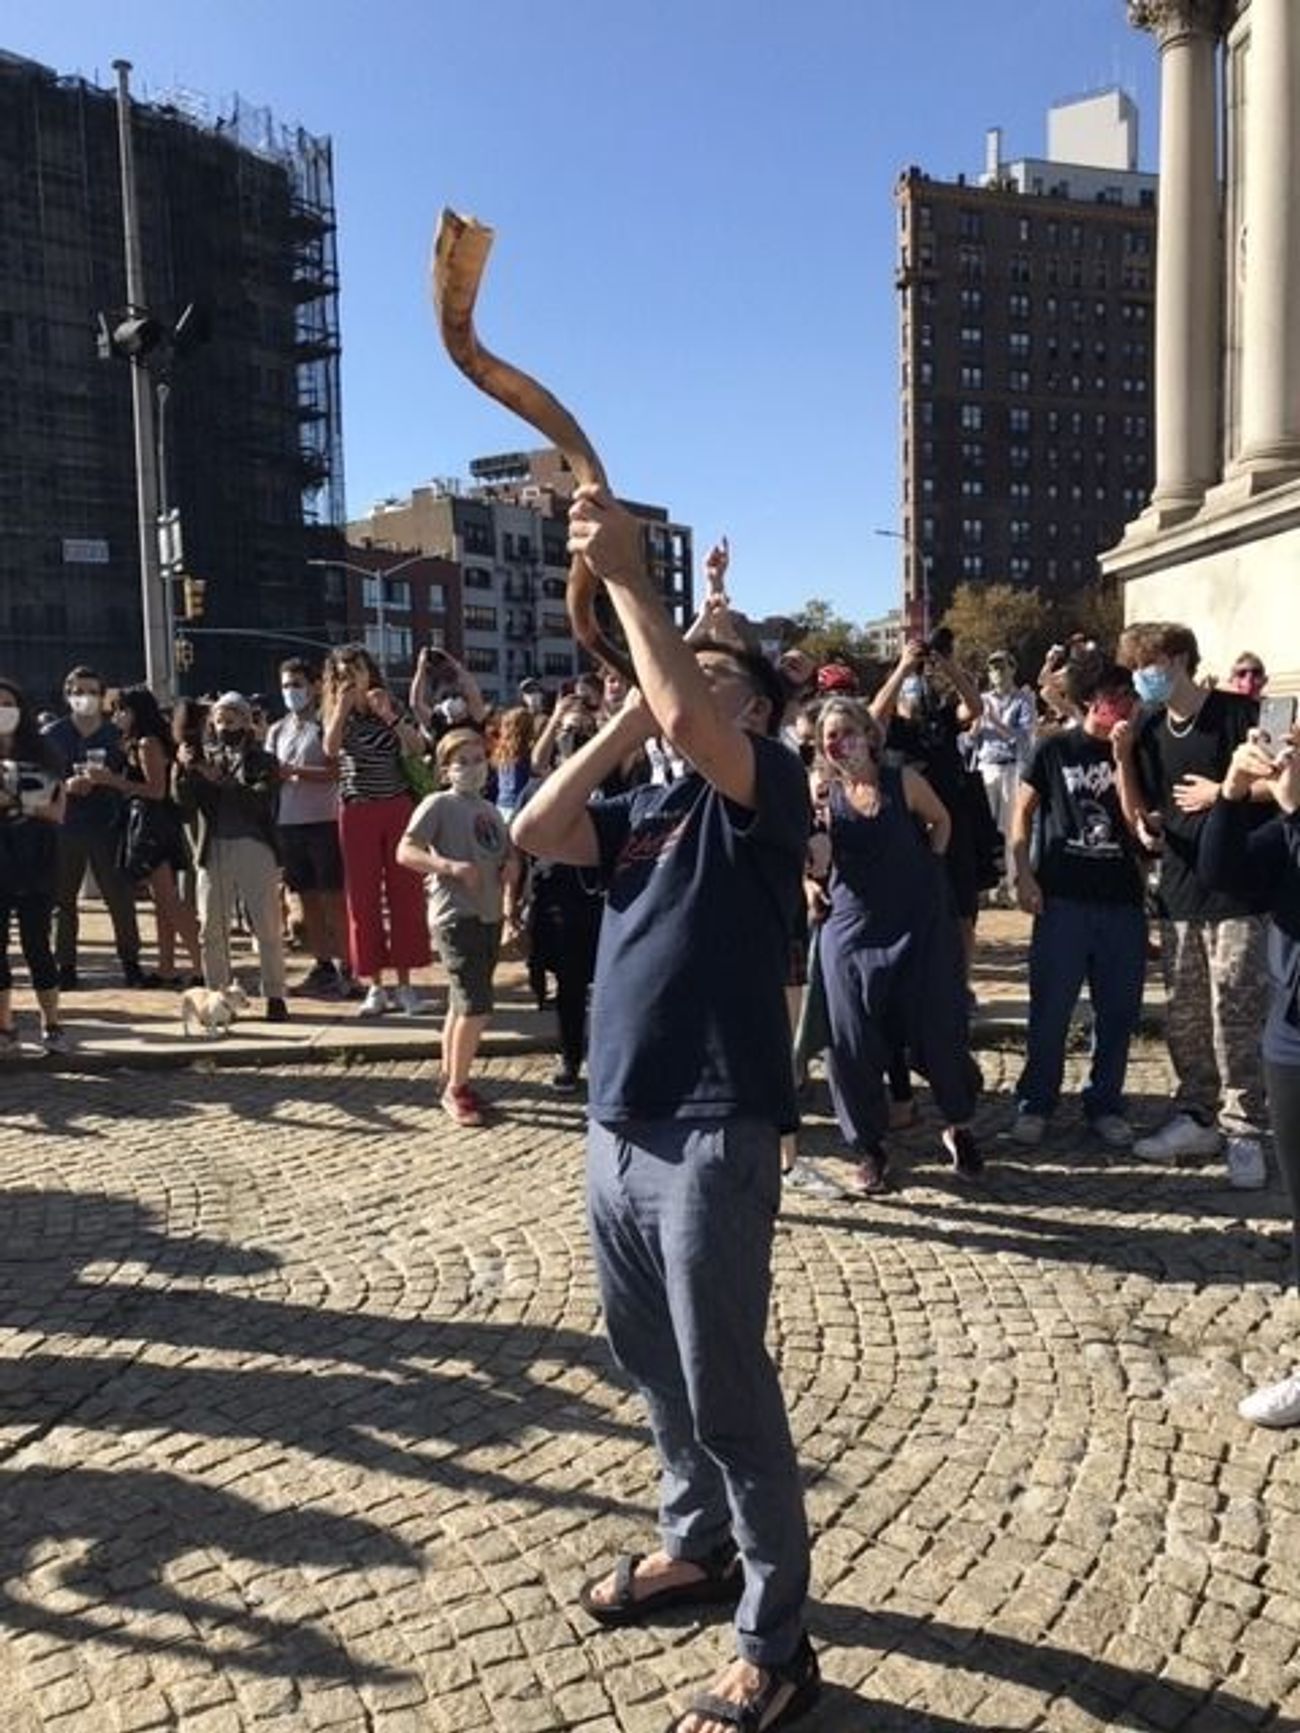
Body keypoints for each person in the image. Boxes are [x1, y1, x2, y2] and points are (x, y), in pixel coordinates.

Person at [512, 486, 819, 1733]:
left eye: (707, 671)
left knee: (725, 1382)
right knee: (648, 1360)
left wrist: (640, 590)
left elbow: (692, 714)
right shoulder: (642, 809)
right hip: (617, 1119)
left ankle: (776, 1641)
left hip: (713, 1121)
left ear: (757, 706)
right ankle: (697, 1544)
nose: (676, 679)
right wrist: (625, 717)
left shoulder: (768, 788)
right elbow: (534, 825)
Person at [1113, 621, 1269, 1188]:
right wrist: (1122, 760)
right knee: (1186, 1016)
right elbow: (1141, 809)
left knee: (1237, 1011)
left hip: (1238, 889)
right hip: (1179, 890)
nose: (1141, 677)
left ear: (1179, 660)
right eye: (1135, 668)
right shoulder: (1151, 728)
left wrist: (1223, 792)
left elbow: (1283, 785)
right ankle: (1196, 1114)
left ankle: (1245, 1127)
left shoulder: (1237, 713)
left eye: (1148, 665)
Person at [813, 696, 982, 1192]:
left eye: (848, 731)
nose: (840, 742)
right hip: (850, 928)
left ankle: (959, 1124)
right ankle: (869, 1148)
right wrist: (809, 884)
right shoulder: (821, 793)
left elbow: (941, 821)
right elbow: (807, 854)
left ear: (869, 734)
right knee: (849, 1040)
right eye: (830, 736)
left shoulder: (901, 780)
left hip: (917, 922)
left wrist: (931, 868)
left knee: (938, 1026)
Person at [1200, 730, 1300, 1426]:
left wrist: (1294, 813)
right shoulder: (1288, 829)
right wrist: (1233, 795)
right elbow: (1221, 874)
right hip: (1290, 1039)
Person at [1009, 663, 1148, 1148]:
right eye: (1115, 695)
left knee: (1118, 1012)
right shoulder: (1054, 749)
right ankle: (1035, 1102)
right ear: (1091, 699)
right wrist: (1023, 874)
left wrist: (1124, 758)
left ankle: (1104, 1102)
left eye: (1129, 695)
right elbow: (1021, 813)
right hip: (1062, 899)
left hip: (1121, 901)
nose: (1124, 704)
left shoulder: (1136, 749)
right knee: (1050, 1010)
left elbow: (1138, 824)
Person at [398, 728, 520, 1126]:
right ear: (446, 769)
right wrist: (447, 866)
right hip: (456, 914)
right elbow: (406, 850)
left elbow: (505, 853)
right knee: (476, 1006)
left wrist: (512, 866)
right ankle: (456, 1088)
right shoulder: (438, 804)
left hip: (487, 913)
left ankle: (452, 1076)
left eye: (478, 760)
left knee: (461, 1002)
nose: (472, 768)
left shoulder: (490, 810)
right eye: (462, 762)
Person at [322, 645, 431, 1017]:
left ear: (369, 670)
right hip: (357, 810)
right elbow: (330, 749)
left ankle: (406, 985)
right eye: (342, 672)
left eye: (356, 669)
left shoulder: (390, 702)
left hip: (396, 805)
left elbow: (417, 746)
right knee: (362, 900)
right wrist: (341, 708)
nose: (351, 677)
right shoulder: (335, 710)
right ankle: (375, 985)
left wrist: (388, 715)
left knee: (406, 894)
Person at [871, 629, 985, 979]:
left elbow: (976, 707)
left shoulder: (944, 720)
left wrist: (947, 665)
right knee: (907, 905)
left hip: (954, 821)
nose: (917, 696)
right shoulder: (892, 730)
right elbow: (873, 716)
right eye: (910, 692)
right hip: (907, 827)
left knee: (962, 908)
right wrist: (903, 668)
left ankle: (960, 983)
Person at [72, 685, 202, 987]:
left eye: (122, 710)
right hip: (151, 821)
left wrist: (111, 781)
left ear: (137, 712)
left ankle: (202, 963)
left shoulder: (147, 742)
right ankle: (167, 965)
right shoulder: (140, 742)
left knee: (168, 899)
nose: (117, 716)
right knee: (162, 900)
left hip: (152, 822)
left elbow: (155, 790)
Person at [175, 693, 288, 1022]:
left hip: (254, 845)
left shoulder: (263, 760)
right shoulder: (204, 758)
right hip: (213, 847)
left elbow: (261, 800)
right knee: (212, 927)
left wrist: (224, 781)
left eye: (232, 720)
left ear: (246, 722)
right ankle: (218, 997)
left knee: (266, 924)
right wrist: (184, 770)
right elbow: (183, 805)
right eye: (220, 720)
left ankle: (275, 994)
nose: (225, 727)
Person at [42, 667, 145, 990]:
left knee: (120, 897)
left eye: (91, 691)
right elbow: (39, 781)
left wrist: (109, 781)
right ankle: (66, 965)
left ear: (102, 696)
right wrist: (66, 786)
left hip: (108, 823)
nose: (84, 698)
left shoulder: (117, 736)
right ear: (67, 695)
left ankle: (131, 962)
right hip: (65, 824)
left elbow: (135, 778)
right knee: (63, 899)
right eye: (77, 691)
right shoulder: (52, 735)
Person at [266, 659, 349, 997]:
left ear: (315, 686)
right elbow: (269, 770)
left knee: (334, 897)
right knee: (306, 897)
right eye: (286, 685)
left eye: (297, 684)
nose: (291, 691)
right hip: (289, 822)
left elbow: (336, 770)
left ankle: (349, 965)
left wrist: (296, 772)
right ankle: (323, 964)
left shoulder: (325, 723)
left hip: (324, 820)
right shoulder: (278, 729)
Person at [0, 678, 67, 1054]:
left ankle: (51, 1022)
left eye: (7, 704)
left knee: (37, 943)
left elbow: (57, 811)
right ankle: (5, 1026)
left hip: (37, 855)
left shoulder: (43, 752)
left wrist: (17, 804)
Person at [971, 651, 1035, 907]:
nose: (996, 673)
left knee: (1010, 827)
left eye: (1001, 667)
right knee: (983, 827)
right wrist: (973, 732)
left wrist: (996, 723)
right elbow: (968, 741)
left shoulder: (1023, 700)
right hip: (986, 766)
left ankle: (1008, 886)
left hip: (1011, 767)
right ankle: (983, 886)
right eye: (992, 668)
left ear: (1012, 669)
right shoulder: (982, 700)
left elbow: (1024, 738)